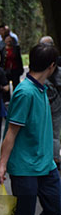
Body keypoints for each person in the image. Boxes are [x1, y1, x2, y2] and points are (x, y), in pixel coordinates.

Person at [0, 44, 61, 215]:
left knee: (56, 207)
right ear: (51, 66)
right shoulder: (25, 92)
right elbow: (11, 132)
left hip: (46, 164)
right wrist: (2, 166)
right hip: (24, 167)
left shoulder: (42, 89)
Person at [40, 36, 61, 168]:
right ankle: (55, 158)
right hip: (56, 101)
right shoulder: (57, 60)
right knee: (55, 132)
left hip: (45, 100)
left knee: (44, 131)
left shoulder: (40, 61)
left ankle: (50, 157)